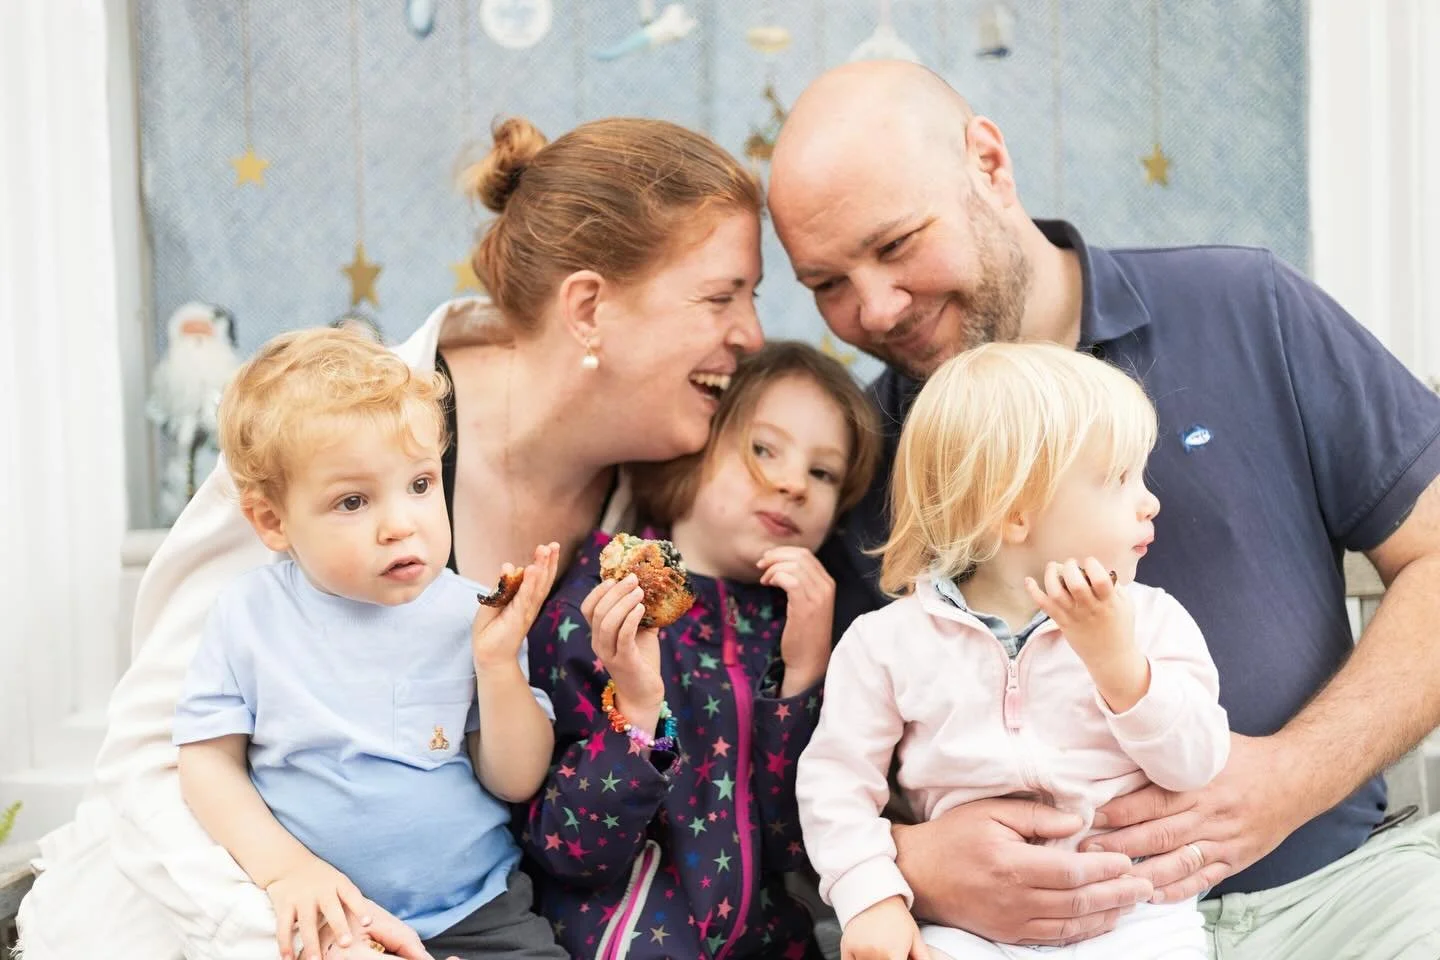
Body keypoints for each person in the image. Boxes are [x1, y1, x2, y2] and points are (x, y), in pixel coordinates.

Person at [17, 114, 766, 960]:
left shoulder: (647, 523)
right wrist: (306, 933)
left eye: (754, 296)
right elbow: (155, 765)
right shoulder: (331, 441)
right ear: (588, 306)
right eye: (721, 295)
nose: (753, 334)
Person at [766, 60, 1440, 959]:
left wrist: (1289, 779)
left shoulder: (1244, 308)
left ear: (989, 163)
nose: (875, 308)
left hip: (1335, 897)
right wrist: (917, 863)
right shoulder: (859, 450)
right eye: (826, 284)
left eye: (895, 245)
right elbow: (815, 761)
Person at [798, 343, 1228, 960]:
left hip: (1133, 919)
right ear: (1015, 512)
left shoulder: (1151, 620)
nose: (1149, 500)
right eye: (1117, 479)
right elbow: (835, 782)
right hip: (970, 926)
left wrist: (1118, 667)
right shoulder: (886, 643)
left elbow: (1195, 763)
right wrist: (873, 900)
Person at [174, 327, 566, 960]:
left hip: (479, 913)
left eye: (419, 484)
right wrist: (284, 871)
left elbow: (517, 780)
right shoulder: (250, 615)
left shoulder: (474, 613)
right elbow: (207, 763)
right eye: (353, 500)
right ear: (273, 521)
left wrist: (497, 667)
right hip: (331, 917)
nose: (400, 524)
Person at [520, 341, 881, 959]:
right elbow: (566, 848)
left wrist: (803, 677)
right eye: (763, 449)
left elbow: (794, 844)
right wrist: (638, 713)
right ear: (695, 447)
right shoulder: (602, 605)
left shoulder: (807, 627)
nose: (794, 484)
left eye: (824, 473)